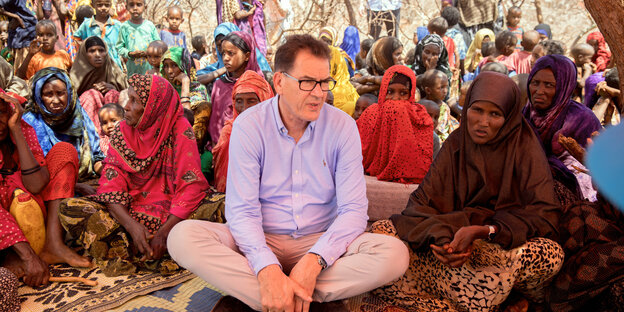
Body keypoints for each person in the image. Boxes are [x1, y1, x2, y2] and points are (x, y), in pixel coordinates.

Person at [167, 34, 409, 311]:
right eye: (307, 82)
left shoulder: (343, 127)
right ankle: (293, 295)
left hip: (321, 237)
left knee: (393, 255)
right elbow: (242, 211)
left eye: (324, 82)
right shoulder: (249, 126)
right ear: (279, 82)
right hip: (260, 236)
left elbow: (353, 211)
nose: (319, 92)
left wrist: (315, 260)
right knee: (183, 237)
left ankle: (274, 296)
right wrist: (265, 264)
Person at [372, 71, 563, 311]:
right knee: (381, 231)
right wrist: (442, 241)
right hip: (454, 241)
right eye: (477, 110)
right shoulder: (457, 142)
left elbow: (546, 216)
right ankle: (480, 300)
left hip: (502, 245)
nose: (483, 122)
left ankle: (454, 299)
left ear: (509, 117)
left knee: (550, 254)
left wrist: (488, 231)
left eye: (495, 114)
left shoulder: (523, 148)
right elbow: (420, 203)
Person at [58, 74, 224, 277]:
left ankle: (138, 250)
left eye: (135, 101)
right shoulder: (121, 133)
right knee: (69, 208)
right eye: (128, 99)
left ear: (154, 108)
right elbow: (111, 186)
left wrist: (164, 232)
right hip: (131, 213)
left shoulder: (180, 129)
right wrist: (133, 227)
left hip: (174, 215)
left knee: (222, 205)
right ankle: (162, 249)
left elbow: (190, 185)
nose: (126, 106)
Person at [0, 89, 91, 275]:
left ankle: (54, 243)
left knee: (63, 151)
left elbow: (35, 185)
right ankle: (17, 255)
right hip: (6, 231)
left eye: (1, 112)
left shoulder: (20, 129)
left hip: (36, 208)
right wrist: (28, 256)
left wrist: (16, 130)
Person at [524, 55, 602, 203]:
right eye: (535, 83)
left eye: (549, 85)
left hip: (577, 195)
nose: (539, 91)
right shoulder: (524, 115)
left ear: (564, 87)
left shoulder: (582, 119)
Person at [22, 67, 104, 181]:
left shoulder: (78, 115)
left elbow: (96, 156)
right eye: (48, 95)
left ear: (69, 93)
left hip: (84, 178)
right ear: (39, 97)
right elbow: (35, 169)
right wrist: (75, 186)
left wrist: (107, 173)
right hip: (48, 183)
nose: (55, 101)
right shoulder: (30, 122)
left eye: (60, 93)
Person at [357, 64, 434, 184]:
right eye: (389, 92)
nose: (395, 98)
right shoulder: (370, 115)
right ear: (382, 92)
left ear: (411, 94)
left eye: (403, 93)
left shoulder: (420, 120)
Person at [212, 70, 273, 193]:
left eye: (251, 101)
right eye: (239, 101)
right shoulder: (229, 132)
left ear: (264, 100)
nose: (244, 108)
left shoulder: (276, 133)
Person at [208, 31, 262, 147]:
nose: (225, 58)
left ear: (247, 56)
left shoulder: (259, 86)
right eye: (223, 53)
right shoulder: (219, 85)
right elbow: (214, 125)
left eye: (231, 53)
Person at [70, 36, 127, 133]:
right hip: (89, 125)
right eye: (92, 51)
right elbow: (70, 100)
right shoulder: (75, 75)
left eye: (101, 51)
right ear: (84, 54)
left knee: (112, 94)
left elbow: (127, 94)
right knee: (90, 95)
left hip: (114, 127)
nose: (97, 55)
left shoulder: (113, 70)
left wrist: (113, 88)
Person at [160, 46, 211, 150]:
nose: (169, 71)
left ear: (184, 65)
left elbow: (186, 121)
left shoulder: (198, 90)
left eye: (174, 65)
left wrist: (185, 83)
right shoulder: (163, 90)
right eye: (166, 66)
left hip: (192, 146)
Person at [318, 26, 359, 115]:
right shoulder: (350, 93)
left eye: (327, 41)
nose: (325, 44)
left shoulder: (337, 55)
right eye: (323, 41)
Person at [73, 0, 123, 68]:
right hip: (94, 68)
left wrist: (120, 56)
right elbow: (76, 38)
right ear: (93, 5)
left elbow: (123, 44)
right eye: (99, 5)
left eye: (107, 5)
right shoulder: (87, 24)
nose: (103, 8)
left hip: (114, 66)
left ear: (111, 5)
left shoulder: (117, 25)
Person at [116, 0, 160, 77]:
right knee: (133, 88)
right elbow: (119, 47)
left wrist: (149, 53)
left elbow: (158, 45)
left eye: (139, 5)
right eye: (131, 5)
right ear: (126, 7)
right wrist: (129, 53)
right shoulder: (124, 27)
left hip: (150, 70)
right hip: (133, 71)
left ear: (145, 7)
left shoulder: (150, 26)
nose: (135, 8)